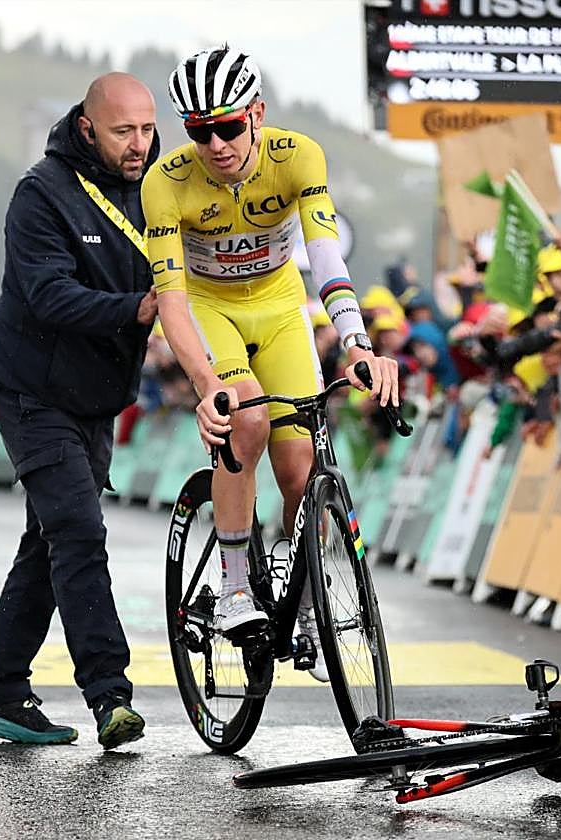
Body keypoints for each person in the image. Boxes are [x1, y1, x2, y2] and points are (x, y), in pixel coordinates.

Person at [141, 47, 398, 655]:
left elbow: (326, 256)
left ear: (256, 113)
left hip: (281, 307)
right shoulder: (165, 182)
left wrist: (357, 342)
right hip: (210, 308)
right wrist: (208, 387)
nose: (216, 145)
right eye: (199, 132)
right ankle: (234, 586)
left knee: (301, 470)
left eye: (229, 127)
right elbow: (171, 301)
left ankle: (305, 604)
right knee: (247, 418)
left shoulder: (298, 156)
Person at [0, 73, 159, 749]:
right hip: (32, 391)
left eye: (147, 129)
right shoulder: (41, 193)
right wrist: (138, 309)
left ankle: (0, 689)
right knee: (77, 529)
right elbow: (48, 295)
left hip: (97, 398)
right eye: (122, 132)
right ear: (86, 127)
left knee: (49, 540)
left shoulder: (160, 189)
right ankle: (110, 694)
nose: (138, 145)